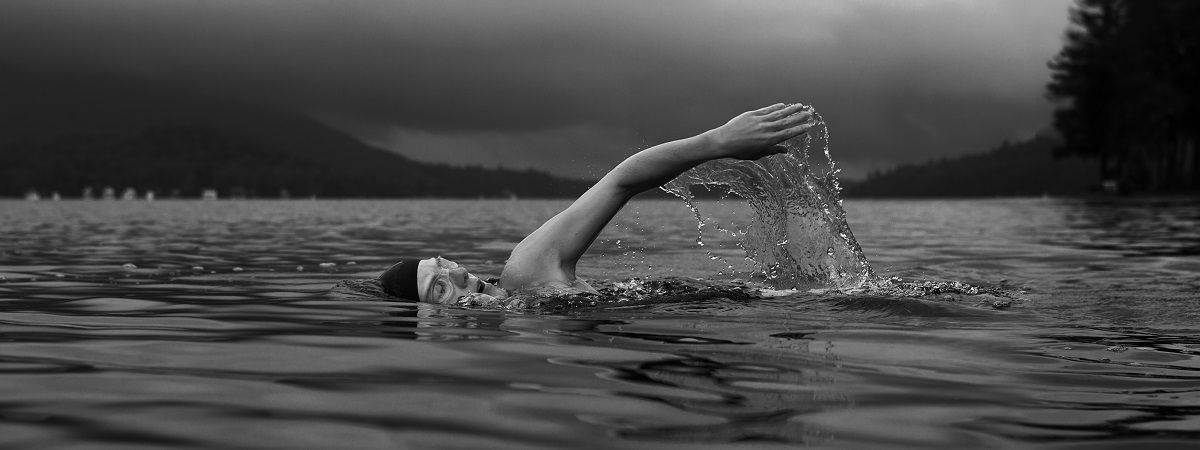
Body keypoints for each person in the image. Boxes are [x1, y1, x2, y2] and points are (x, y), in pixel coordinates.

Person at [380, 103, 817, 305]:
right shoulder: (520, 320)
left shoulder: (525, 273)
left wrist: (718, 142)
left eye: (443, 265)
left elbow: (621, 181)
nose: (458, 274)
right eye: (440, 288)